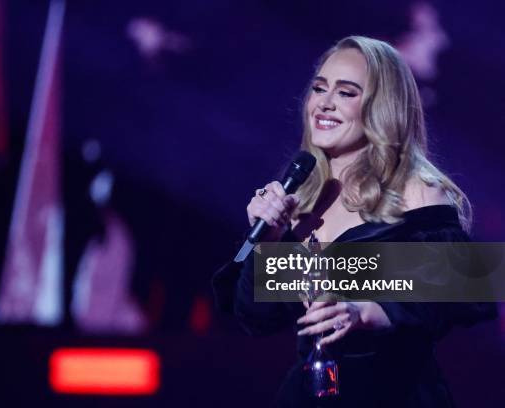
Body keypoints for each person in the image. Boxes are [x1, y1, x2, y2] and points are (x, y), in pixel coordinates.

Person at [212, 36, 496, 407]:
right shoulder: (304, 195)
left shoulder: (417, 192)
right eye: (319, 88)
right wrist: (269, 240)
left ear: (382, 107)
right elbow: (256, 318)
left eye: (346, 93)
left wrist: (368, 310)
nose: (324, 104)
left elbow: (468, 288)